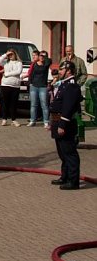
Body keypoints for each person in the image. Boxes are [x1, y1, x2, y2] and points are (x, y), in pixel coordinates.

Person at [49, 60, 83, 190]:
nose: (60, 72)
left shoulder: (72, 86)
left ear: (68, 71)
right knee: (62, 152)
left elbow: (68, 108)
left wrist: (62, 124)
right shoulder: (64, 84)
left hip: (66, 124)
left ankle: (73, 181)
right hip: (57, 121)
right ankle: (65, 176)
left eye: (62, 70)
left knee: (69, 152)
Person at [0, 49, 23, 127]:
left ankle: (14, 119)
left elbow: (18, 72)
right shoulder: (6, 62)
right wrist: (5, 54)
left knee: (13, 103)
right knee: (5, 103)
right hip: (5, 84)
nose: (10, 56)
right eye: (9, 55)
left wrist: (7, 74)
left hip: (15, 85)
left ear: (15, 54)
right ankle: (4, 119)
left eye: (12, 54)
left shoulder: (19, 63)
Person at [27, 49, 51, 128]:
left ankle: (46, 122)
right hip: (34, 86)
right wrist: (30, 82)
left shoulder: (46, 64)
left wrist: (45, 56)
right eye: (40, 55)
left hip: (43, 87)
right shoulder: (34, 64)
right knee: (33, 104)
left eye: (43, 56)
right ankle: (32, 120)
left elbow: (49, 60)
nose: (41, 57)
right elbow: (31, 74)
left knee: (44, 104)